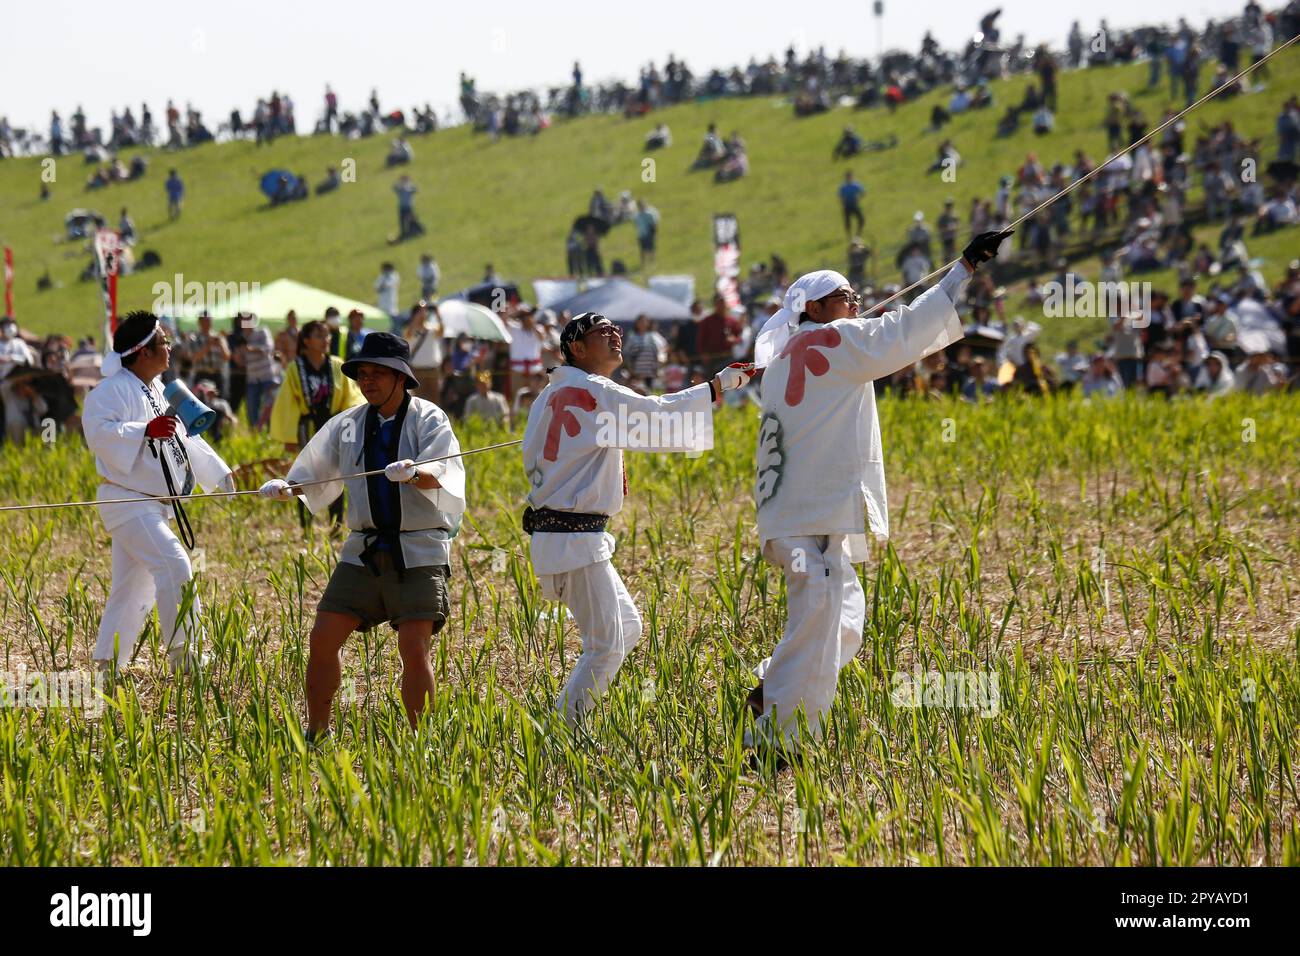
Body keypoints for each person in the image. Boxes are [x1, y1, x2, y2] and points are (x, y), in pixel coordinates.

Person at [746, 230, 1010, 763]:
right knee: (821, 617)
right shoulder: (828, 340)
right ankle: (778, 743)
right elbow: (902, 333)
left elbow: (886, 334)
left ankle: (769, 691)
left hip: (800, 510)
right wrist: (962, 268)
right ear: (816, 307)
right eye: (846, 295)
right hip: (811, 511)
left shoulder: (786, 352)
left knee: (842, 619)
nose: (857, 302)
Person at [521, 312, 754, 728]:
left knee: (626, 628)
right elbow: (655, 416)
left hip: (566, 536)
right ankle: (563, 731)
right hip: (571, 537)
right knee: (606, 644)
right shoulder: (593, 389)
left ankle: (571, 720)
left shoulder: (549, 396)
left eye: (617, 329)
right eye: (602, 331)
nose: (615, 335)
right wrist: (717, 386)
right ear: (576, 348)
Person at [258, 333, 466, 739]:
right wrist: (286, 486)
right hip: (363, 549)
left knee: (414, 648)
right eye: (362, 374)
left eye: (377, 373)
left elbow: (443, 475)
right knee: (322, 638)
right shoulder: (348, 424)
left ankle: (420, 744)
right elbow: (315, 472)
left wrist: (415, 473)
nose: (367, 381)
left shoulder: (429, 419)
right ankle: (317, 735)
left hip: (419, 547)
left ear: (401, 377)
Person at [81, 311, 235, 672]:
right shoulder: (107, 392)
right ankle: (188, 658)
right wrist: (144, 430)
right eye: (164, 341)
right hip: (126, 501)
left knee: (132, 588)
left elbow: (184, 439)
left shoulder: (157, 388)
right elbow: (99, 434)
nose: (170, 347)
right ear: (143, 351)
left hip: (152, 505)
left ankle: (107, 665)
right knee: (175, 564)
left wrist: (220, 473)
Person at [269, 319, 364, 529]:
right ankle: (306, 526)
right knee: (305, 477)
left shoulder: (337, 365)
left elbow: (352, 397)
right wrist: (289, 437)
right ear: (307, 340)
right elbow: (288, 402)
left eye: (327, 335)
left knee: (336, 474)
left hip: (333, 427)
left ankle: (337, 525)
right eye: (320, 335)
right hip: (308, 428)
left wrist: (353, 425)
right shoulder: (296, 368)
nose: (326, 339)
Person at [241, 315, 281, 428]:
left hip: (267, 377)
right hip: (252, 379)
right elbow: (241, 360)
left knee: (270, 406)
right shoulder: (242, 337)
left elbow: (268, 348)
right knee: (251, 408)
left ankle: (272, 431)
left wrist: (250, 349)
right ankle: (255, 433)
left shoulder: (262, 332)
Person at [403, 300, 444, 403]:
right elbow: (409, 333)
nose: (424, 313)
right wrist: (417, 318)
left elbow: (441, 331)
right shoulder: (411, 330)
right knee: (418, 403)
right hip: (418, 372)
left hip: (433, 372)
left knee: (434, 402)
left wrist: (438, 315)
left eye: (425, 311)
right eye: (420, 311)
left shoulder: (432, 328)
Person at [633, 201, 659, 271]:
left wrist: (654, 234)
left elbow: (653, 224)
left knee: (651, 249)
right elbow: (636, 224)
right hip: (641, 235)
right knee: (642, 251)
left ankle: (652, 263)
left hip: (649, 234)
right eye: (640, 206)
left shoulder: (649, 214)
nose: (642, 207)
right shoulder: (637, 215)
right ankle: (643, 265)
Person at [838, 171, 865, 237]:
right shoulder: (843, 187)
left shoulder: (855, 185)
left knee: (861, 219)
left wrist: (858, 198)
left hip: (854, 205)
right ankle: (849, 236)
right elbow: (840, 196)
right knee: (847, 222)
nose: (849, 178)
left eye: (850, 177)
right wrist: (842, 202)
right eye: (848, 177)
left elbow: (863, 192)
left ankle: (858, 233)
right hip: (847, 206)